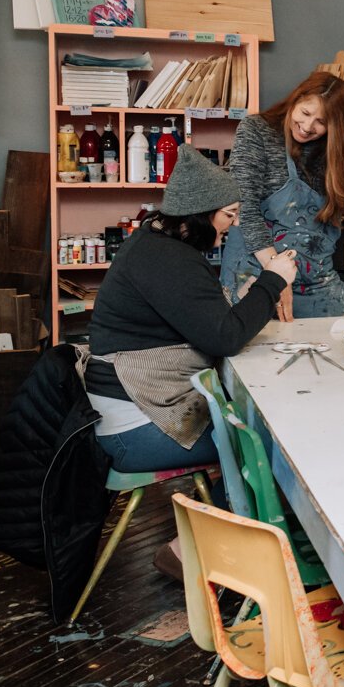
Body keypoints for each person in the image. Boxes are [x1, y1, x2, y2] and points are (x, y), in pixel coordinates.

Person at [87, 147, 298, 473]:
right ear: (200, 213)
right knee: (277, 440)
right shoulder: (168, 258)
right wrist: (272, 281)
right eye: (230, 213)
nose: (235, 222)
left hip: (133, 411)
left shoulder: (156, 244)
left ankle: (227, 512)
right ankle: (235, 519)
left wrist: (246, 296)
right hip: (135, 429)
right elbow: (225, 337)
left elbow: (202, 316)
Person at [222, 71, 344, 320]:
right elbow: (245, 208)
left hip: (317, 280)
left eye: (321, 122)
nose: (307, 127)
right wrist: (275, 277)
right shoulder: (257, 131)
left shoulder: (341, 149)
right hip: (255, 273)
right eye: (304, 113)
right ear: (296, 99)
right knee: (256, 353)